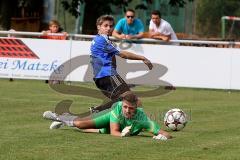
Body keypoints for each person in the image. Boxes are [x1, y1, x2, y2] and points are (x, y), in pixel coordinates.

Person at [43, 92, 172, 140]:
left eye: (131, 108)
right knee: (80, 124)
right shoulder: (117, 108)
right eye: (125, 107)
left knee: (93, 131)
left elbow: (166, 133)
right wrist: (123, 135)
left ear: (136, 108)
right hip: (109, 117)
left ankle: (65, 122)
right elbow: (114, 131)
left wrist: (161, 137)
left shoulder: (143, 119)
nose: (127, 110)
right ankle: (60, 116)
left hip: (120, 127)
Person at [89, 15, 153, 113]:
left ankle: (98, 113)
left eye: (110, 26)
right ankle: (98, 110)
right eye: (105, 26)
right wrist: (142, 58)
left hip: (99, 78)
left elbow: (108, 57)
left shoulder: (96, 40)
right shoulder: (103, 40)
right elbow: (123, 54)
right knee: (132, 100)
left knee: (121, 102)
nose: (108, 28)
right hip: (108, 75)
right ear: (98, 26)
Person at [41, 20, 67, 84]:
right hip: (48, 54)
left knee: (57, 66)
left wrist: (65, 35)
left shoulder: (60, 34)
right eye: (54, 26)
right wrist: (43, 33)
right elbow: (41, 36)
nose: (55, 28)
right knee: (49, 66)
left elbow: (64, 40)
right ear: (50, 27)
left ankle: (56, 79)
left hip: (58, 54)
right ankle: (48, 78)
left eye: (57, 27)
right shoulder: (47, 33)